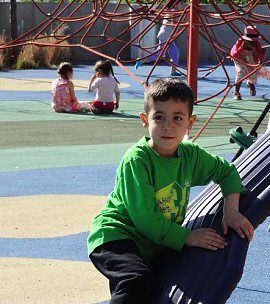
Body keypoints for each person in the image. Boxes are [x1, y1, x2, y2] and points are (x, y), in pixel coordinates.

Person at [87, 78, 254, 303]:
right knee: (137, 280)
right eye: (159, 117)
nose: (168, 126)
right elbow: (146, 220)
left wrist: (231, 210)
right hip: (118, 235)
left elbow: (227, 172)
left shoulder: (190, 155)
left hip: (152, 243)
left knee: (156, 286)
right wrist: (187, 237)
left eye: (177, 118)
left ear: (190, 123)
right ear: (145, 120)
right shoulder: (137, 160)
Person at [135, 0, 182, 77]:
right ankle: (173, 71)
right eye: (181, 3)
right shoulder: (173, 11)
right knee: (172, 53)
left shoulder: (170, 11)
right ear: (176, 4)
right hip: (166, 36)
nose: (181, 5)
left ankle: (141, 60)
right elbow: (173, 24)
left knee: (163, 54)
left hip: (165, 35)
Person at [230, 25, 270, 100]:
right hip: (239, 59)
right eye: (250, 40)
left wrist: (262, 54)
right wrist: (242, 48)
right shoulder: (240, 42)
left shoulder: (256, 43)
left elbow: (259, 56)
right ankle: (236, 92)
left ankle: (250, 84)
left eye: (253, 41)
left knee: (252, 74)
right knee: (241, 73)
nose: (252, 42)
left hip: (250, 59)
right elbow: (234, 54)